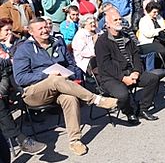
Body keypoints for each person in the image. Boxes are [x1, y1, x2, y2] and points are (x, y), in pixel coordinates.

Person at [13, 17, 118, 156]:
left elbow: (71, 64)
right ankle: (96, 100)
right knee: (55, 79)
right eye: (41, 29)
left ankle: (75, 141)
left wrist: (69, 74)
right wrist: (46, 76)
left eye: (46, 27)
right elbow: (20, 78)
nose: (45, 30)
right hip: (33, 92)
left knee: (70, 98)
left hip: (59, 87)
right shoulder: (24, 49)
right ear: (31, 32)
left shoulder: (57, 42)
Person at [95, 8, 159, 126]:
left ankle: (142, 109)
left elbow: (136, 55)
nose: (119, 22)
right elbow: (106, 65)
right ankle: (129, 112)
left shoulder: (126, 36)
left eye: (120, 19)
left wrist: (136, 71)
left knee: (153, 79)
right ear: (107, 24)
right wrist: (123, 78)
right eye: (115, 20)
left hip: (130, 71)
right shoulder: (102, 42)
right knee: (123, 95)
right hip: (111, 77)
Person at [0, 18, 47, 155]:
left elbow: (13, 63)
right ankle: (21, 139)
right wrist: (9, 59)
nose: (10, 33)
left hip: (9, 79)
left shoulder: (18, 42)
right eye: (6, 30)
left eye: (10, 30)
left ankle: (21, 139)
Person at [137, 1, 165, 71]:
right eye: (154, 12)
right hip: (148, 42)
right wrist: (159, 30)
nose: (156, 14)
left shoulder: (159, 17)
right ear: (149, 11)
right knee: (162, 50)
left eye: (157, 12)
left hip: (160, 38)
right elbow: (148, 34)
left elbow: (163, 25)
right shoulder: (144, 20)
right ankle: (158, 67)